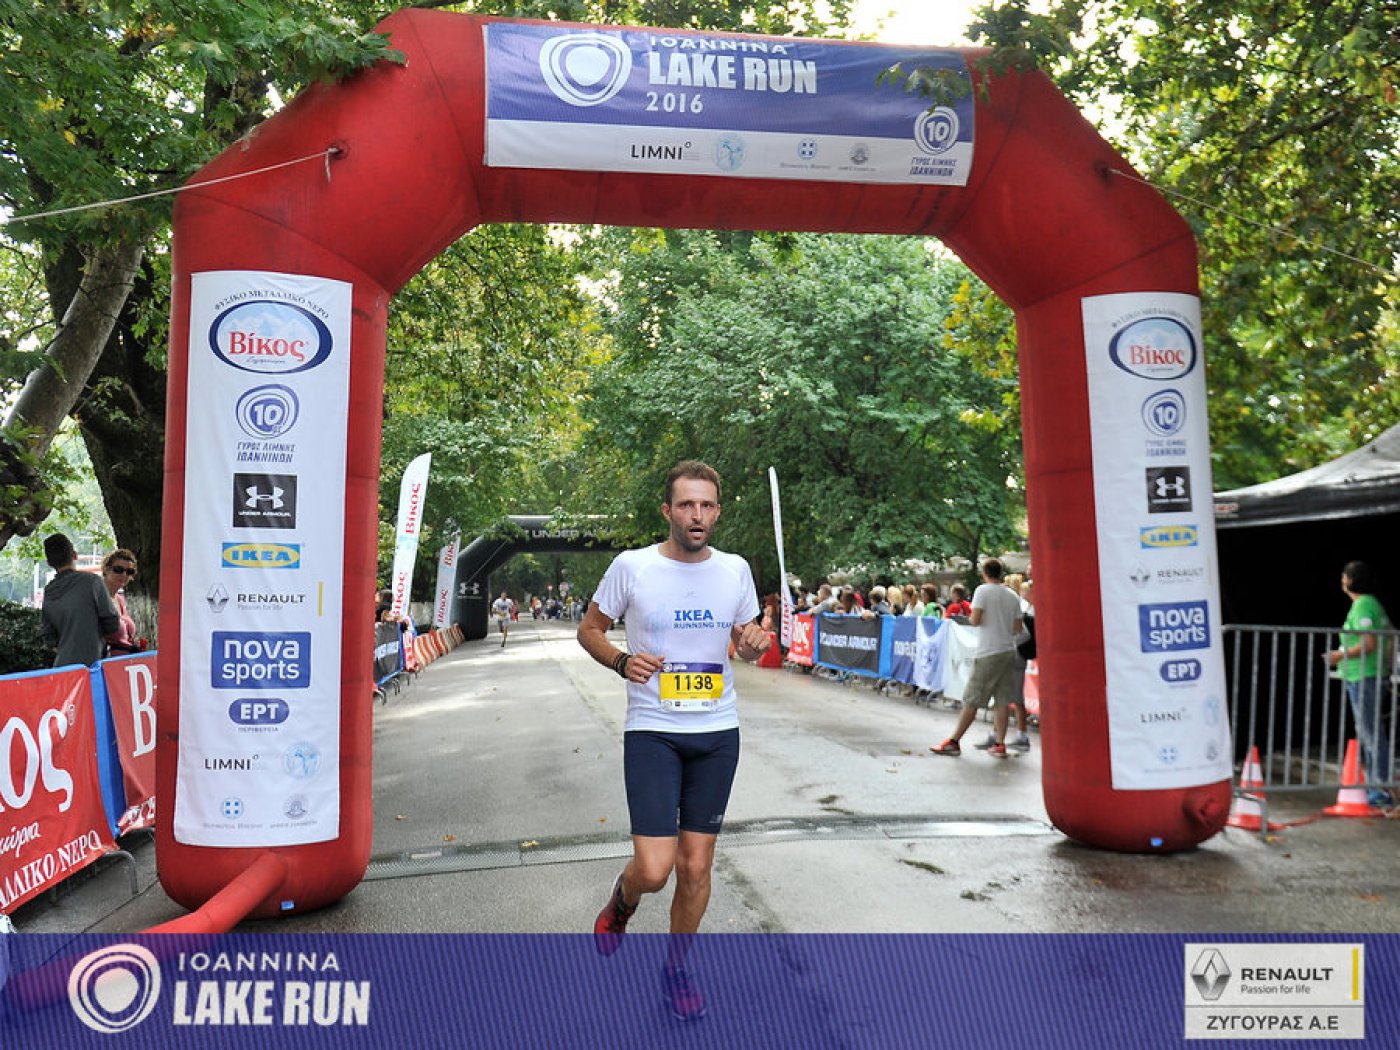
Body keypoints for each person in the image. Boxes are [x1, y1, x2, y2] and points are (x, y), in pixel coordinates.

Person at [577, 460, 770, 1022]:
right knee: (655, 868)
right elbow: (590, 630)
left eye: (706, 505)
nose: (696, 515)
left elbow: (745, 642)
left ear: (718, 512)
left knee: (696, 867)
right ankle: (624, 900)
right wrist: (621, 661)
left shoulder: (734, 570)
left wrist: (754, 644)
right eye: (686, 504)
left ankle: (677, 970)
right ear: (668, 510)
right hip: (653, 731)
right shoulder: (632, 567)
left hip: (717, 732)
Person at [929, 558, 1024, 759]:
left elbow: (975, 619)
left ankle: (954, 741)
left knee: (972, 698)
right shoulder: (1013, 595)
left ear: (985, 573)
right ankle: (1000, 744)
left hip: (988, 650)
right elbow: (1017, 628)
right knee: (1002, 700)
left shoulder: (982, 591)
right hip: (1008, 650)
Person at [1326, 562, 1393, 808]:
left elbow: (1368, 644)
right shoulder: (1370, 604)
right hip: (1369, 674)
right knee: (1370, 732)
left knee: (1371, 733)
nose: (1342, 580)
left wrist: (1339, 655)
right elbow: (1389, 636)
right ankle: (1379, 786)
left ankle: (1381, 788)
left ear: (1351, 580)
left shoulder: (1364, 605)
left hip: (1365, 675)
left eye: (1345, 576)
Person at [972, 576, 1034, 754]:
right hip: (1011, 654)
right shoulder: (1019, 607)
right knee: (1003, 697)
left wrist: (1009, 641)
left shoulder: (1022, 608)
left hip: (1015, 656)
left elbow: (1024, 633)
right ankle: (998, 734)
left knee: (1013, 697)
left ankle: (1019, 734)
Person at [39, 533, 120, 667]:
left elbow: (49, 637)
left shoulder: (49, 591)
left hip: (62, 667)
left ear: (49, 563)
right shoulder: (92, 582)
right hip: (92, 665)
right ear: (75, 555)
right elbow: (112, 623)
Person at [100, 549, 143, 654]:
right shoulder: (97, 598)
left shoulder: (120, 599)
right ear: (105, 569)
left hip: (126, 660)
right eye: (118, 570)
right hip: (106, 660)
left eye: (129, 572)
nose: (124, 575)